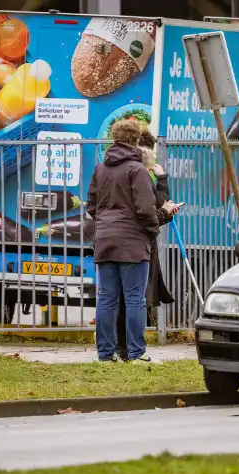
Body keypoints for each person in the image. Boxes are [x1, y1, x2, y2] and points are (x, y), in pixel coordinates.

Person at [87, 118, 161, 363]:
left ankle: (105, 354)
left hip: (105, 239)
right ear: (136, 140)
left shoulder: (101, 168)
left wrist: (106, 224)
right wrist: (152, 230)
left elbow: (92, 206)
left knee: (106, 298)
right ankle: (137, 352)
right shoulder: (136, 169)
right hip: (131, 241)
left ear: (114, 138)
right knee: (134, 298)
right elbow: (146, 209)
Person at [115, 133, 179, 360]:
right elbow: (152, 208)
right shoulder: (142, 175)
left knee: (117, 297)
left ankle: (114, 347)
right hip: (139, 242)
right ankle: (132, 349)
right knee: (134, 297)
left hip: (115, 240)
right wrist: (163, 186)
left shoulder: (112, 171)